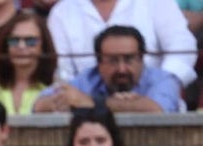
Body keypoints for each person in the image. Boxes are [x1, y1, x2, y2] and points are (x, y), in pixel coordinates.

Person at [47, 0, 197, 89]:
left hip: (154, 107)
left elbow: (182, 48)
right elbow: (63, 74)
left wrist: (160, 87)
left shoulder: (156, 2)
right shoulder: (61, 12)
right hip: (88, 112)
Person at [33, 25, 183, 114]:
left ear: (142, 58)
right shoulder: (89, 78)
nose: (122, 69)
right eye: (113, 61)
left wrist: (90, 103)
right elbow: (39, 105)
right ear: (99, 63)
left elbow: (157, 110)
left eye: (129, 59)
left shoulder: (164, 80)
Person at [0, 10, 58, 115]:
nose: (21, 46)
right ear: (6, 47)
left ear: (43, 47)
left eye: (30, 41)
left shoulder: (56, 90)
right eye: (14, 40)